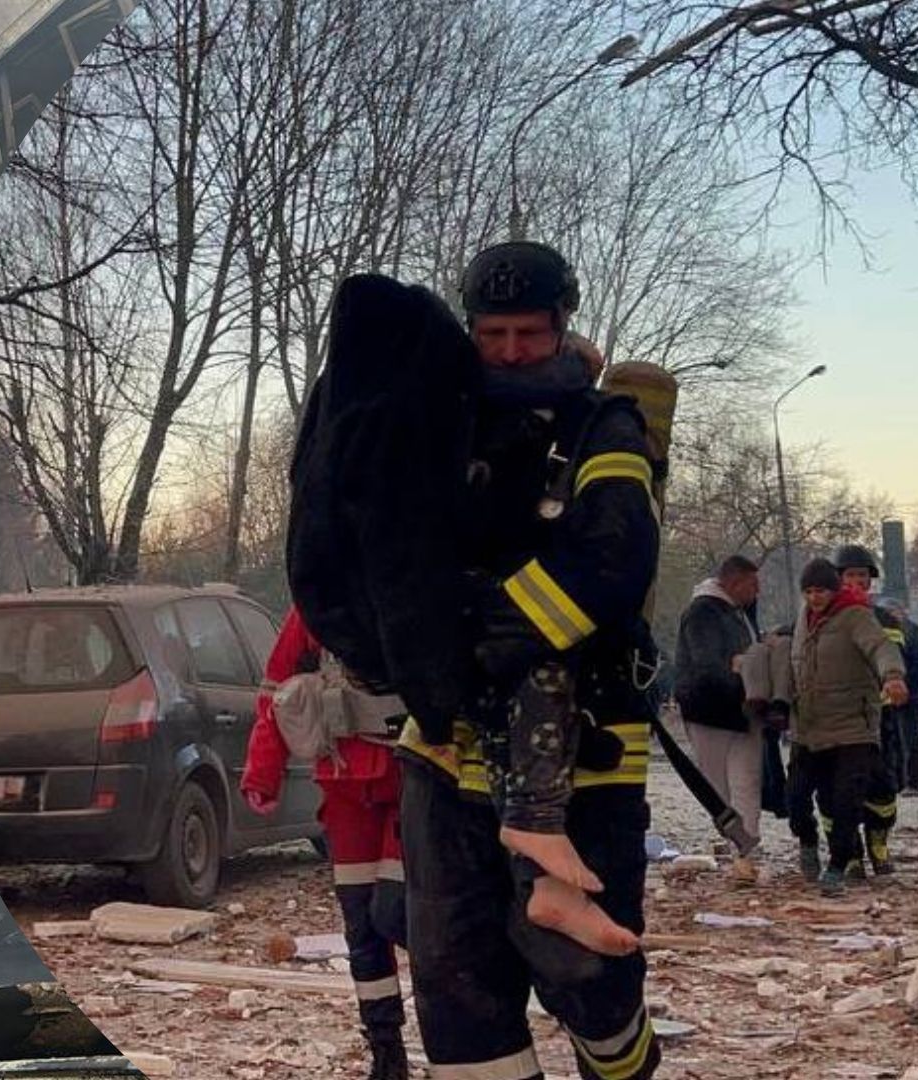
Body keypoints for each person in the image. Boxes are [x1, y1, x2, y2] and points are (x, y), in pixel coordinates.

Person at [387, 241, 662, 1080]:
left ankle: (618, 1063)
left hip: (583, 747)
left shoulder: (602, 424)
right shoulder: (439, 424)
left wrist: (493, 628)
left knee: (584, 972)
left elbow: (615, 553)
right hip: (445, 748)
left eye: (530, 334)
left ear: (562, 326)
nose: (510, 350)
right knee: (455, 979)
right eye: (493, 332)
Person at [242, 605, 411, 1080]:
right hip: (344, 781)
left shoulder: (414, 573)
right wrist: (263, 771)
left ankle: (460, 1021)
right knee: (363, 927)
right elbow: (277, 685)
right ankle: (386, 1049)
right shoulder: (321, 595)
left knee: (399, 912)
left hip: (417, 775)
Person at [789, 559, 908, 897]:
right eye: (808, 591)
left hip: (852, 727)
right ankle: (807, 840)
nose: (814, 598)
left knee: (845, 801)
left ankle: (838, 866)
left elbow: (880, 647)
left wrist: (893, 677)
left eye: (821, 591)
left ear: (833, 590)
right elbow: (789, 659)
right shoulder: (802, 620)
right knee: (796, 796)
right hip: (808, 728)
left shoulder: (856, 616)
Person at [672, 555, 765, 878]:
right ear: (735, 583)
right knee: (719, 786)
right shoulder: (703, 612)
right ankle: (737, 840)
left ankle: (746, 845)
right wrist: (741, 674)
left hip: (738, 710)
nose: (758, 591)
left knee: (746, 780)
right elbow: (706, 664)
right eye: (754, 584)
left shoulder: (738, 612)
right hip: (710, 710)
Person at [831, 545, 902, 876]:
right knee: (837, 790)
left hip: (878, 717)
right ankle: (850, 852)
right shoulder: (823, 616)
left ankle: (878, 841)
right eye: (850, 576)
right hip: (838, 718)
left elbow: (899, 659)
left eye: (862, 576)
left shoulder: (886, 620)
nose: (857, 582)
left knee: (882, 787)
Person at [877, 596, 918, 797]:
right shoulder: (887, 633)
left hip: (908, 695)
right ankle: (899, 781)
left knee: (910, 739)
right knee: (894, 740)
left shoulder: (911, 632)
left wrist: (907, 684)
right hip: (888, 696)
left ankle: (913, 782)